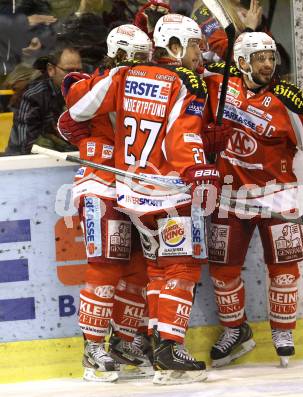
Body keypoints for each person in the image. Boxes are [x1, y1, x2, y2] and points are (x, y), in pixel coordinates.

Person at [63, 14, 218, 385]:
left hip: (129, 191)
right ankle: (149, 349)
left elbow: (72, 117)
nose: (133, 59)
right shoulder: (174, 80)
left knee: (141, 269)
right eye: (194, 44)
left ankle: (134, 344)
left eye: (140, 53)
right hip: (151, 188)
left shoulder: (124, 77)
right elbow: (182, 136)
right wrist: (197, 168)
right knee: (173, 267)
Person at [202, 32, 303, 368]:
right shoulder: (217, 84)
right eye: (260, 58)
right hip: (228, 196)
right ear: (242, 62)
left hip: (277, 197)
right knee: (223, 270)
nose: (267, 64)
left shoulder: (288, 98)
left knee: (284, 271)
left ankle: (283, 332)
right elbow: (195, 60)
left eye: (270, 58)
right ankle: (236, 331)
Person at [58, 24, 155, 382]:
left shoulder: (150, 86)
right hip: (100, 185)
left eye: (146, 57)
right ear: (117, 54)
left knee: (141, 268)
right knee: (106, 265)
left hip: (139, 186)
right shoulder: (84, 80)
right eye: (135, 57)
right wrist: (117, 75)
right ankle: (93, 347)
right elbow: (73, 114)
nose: (142, 63)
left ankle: (124, 341)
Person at [5, 45, 81, 155]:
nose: (75, 76)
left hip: (71, 158)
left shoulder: (86, 91)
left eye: (78, 70)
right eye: (69, 70)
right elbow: (24, 145)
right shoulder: (33, 96)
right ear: (51, 70)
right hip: (28, 162)